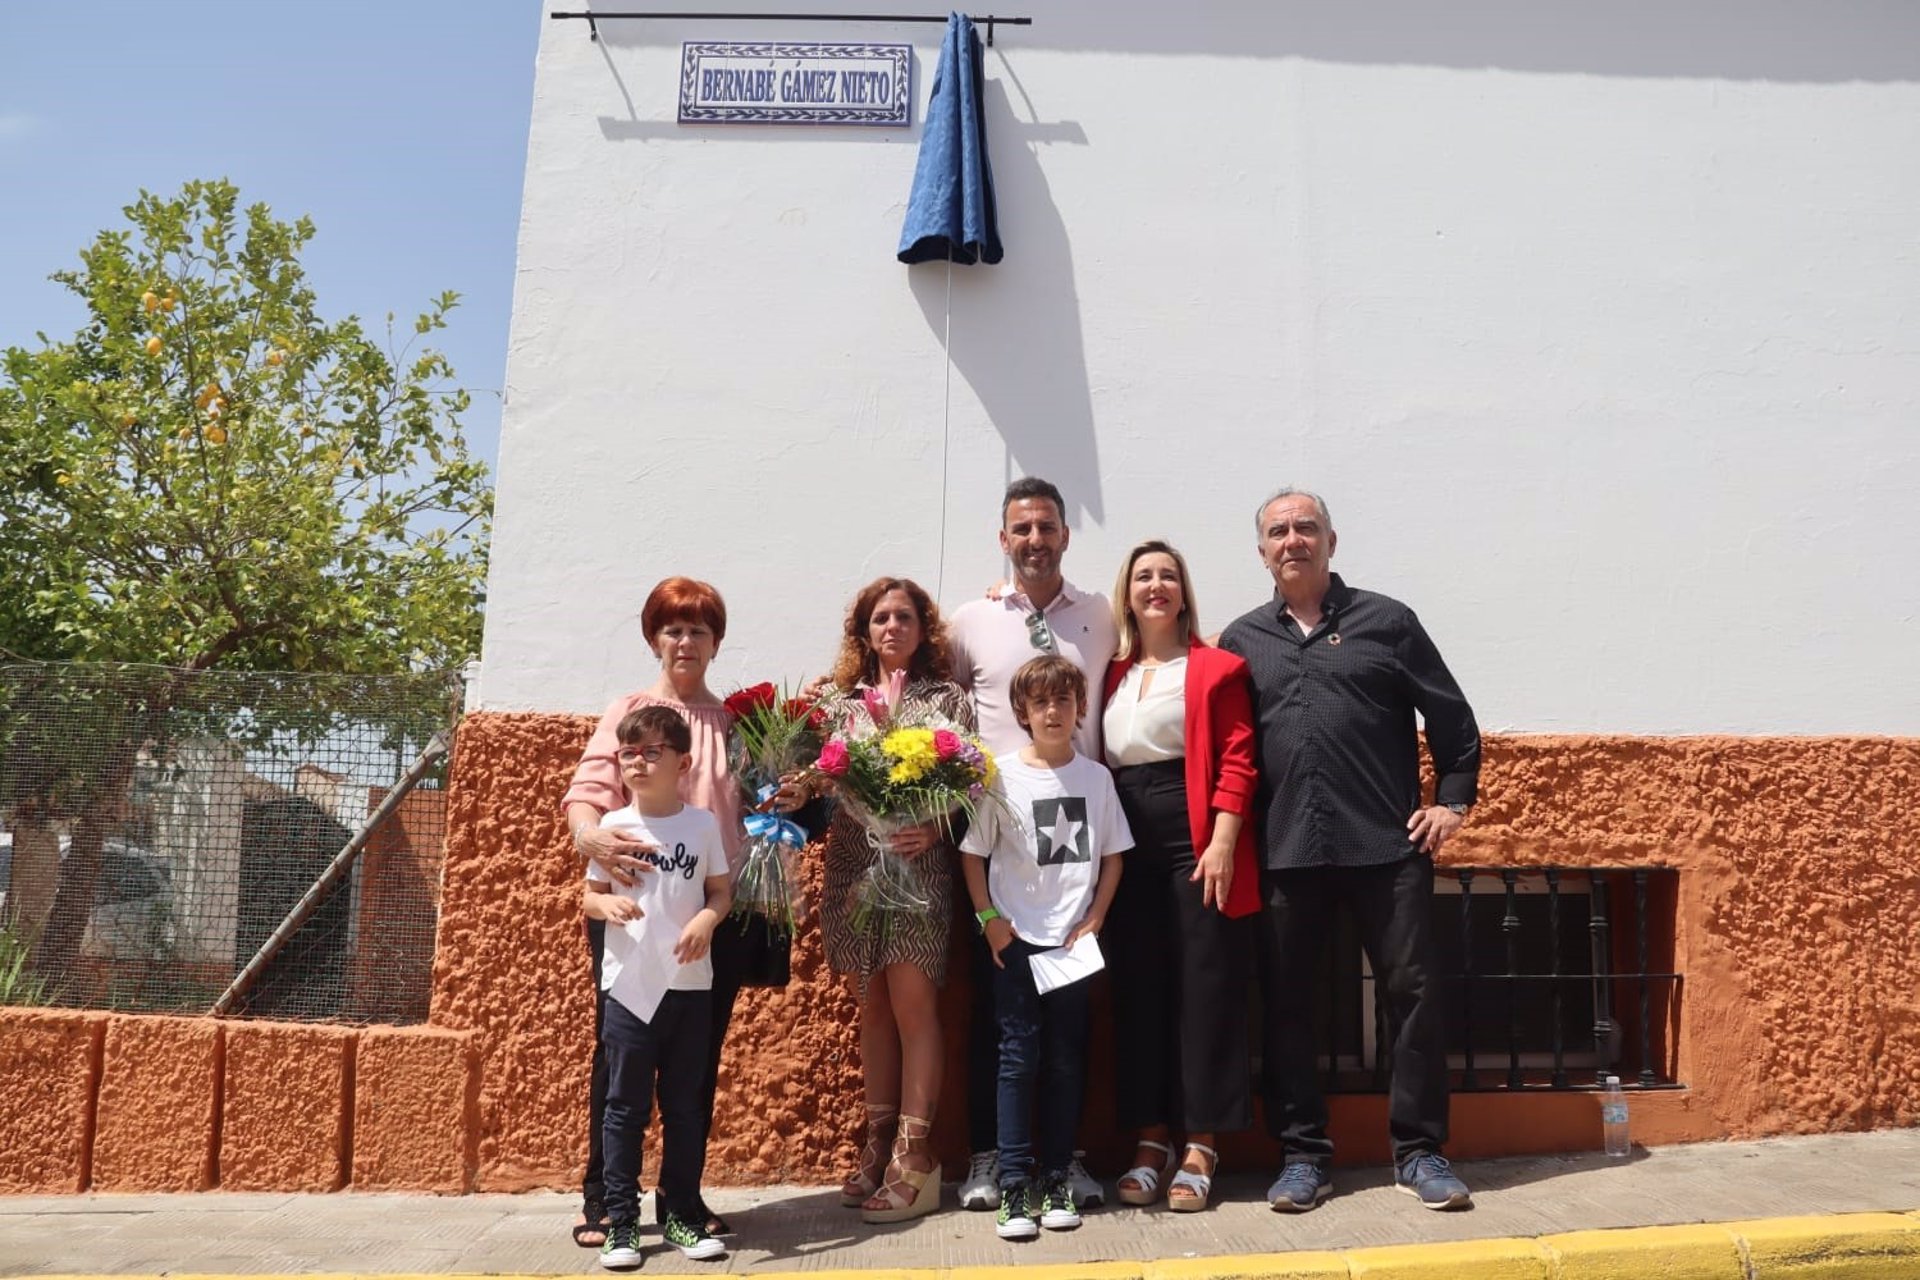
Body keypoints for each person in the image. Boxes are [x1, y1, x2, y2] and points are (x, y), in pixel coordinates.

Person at [1219, 488, 1482, 1213]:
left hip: (1385, 847)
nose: (1293, 539)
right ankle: (1303, 1156)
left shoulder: (1389, 622)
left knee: (1414, 996)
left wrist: (1452, 803)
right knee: (1287, 1007)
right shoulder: (1240, 641)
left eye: (1307, 527)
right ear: (1262, 551)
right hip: (1286, 850)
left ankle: (1421, 1151)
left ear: (1332, 541)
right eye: (1279, 530)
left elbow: (1454, 721)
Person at [563, 577, 769, 1241]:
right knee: (617, 1060)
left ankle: (681, 1197)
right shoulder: (631, 710)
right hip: (632, 914)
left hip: (712, 914)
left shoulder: (737, 723)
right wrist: (589, 835)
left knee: (696, 1063)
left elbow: (760, 805)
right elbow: (587, 791)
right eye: (673, 629)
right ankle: (602, 1198)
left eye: (698, 630)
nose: (685, 642)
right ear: (655, 637)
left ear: (716, 642)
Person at [945, 476, 1118, 1210]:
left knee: (1070, 1039)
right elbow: (948, 712)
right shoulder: (971, 621)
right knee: (1000, 1024)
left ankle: (1061, 1163)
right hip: (999, 835)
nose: (1036, 539)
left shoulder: (1101, 616)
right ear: (1004, 538)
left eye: (1048, 526)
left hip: (1077, 851)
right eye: (1023, 528)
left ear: (1065, 536)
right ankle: (997, 1160)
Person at [791, 577, 974, 1223]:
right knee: (869, 1003)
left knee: (913, 1002)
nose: (891, 627)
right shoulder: (841, 703)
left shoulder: (947, 700)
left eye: (903, 617)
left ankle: (915, 1152)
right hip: (851, 860)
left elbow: (972, 782)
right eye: (879, 618)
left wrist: (939, 820)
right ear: (863, 632)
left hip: (918, 863)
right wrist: (798, 729)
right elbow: (808, 780)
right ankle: (876, 1139)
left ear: (923, 629)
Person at [1100, 539, 1260, 1213]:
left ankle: (1201, 1143)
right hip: (1122, 845)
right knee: (1137, 993)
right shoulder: (1109, 674)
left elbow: (1238, 758)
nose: (1156, 585)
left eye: (1168, 575)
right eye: (1144, 577)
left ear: (1184, 592)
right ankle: (1151, 1141)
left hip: (1192, 840)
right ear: (1128, 593)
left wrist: (1223, 842)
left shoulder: (1217, 668)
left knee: (1203, 993)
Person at [960, 655, 1132, 1241]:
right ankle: (1014, 1185)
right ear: (1022, 713)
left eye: (1064, 700)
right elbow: (973, 853)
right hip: (1016, 942)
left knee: (1064, 1060)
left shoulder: (1097, 780)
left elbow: (1112, 856)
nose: (1053, 711)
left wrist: (1097, 917)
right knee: (1016, 1058)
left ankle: (1056, 1177)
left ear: (1080, 709)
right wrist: (989, 920)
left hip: (1071, 946)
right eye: (1041, 703)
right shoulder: (1000, 776)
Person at [582, 705, 732, 1269]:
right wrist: (606, 903)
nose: (638, 763)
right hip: (629, 988)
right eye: (628, 753)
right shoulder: (614, 827)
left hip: (690, 987)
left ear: (683, 762)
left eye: (652, 752)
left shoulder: (701, 825)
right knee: (624, 1109)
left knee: (685, 1107)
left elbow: (719, 892)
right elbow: (587, 895)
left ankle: (682, 1216)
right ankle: (622, 1222)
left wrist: (706, 920)